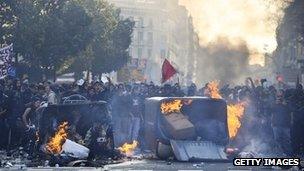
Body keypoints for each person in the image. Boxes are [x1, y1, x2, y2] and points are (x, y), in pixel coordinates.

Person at [271, 89, 292, 156]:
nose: (279, 97)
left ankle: (288, 154)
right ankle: (279, 154)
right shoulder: (274, 103)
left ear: (283, 95)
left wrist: (285, 104)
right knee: (277, 140)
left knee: (287, 140)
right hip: (276, 124)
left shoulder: (287, 102)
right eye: (278, 95)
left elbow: (291, 111)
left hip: (286, 125)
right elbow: (270, 112)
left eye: (281, 95)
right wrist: (275, 104)